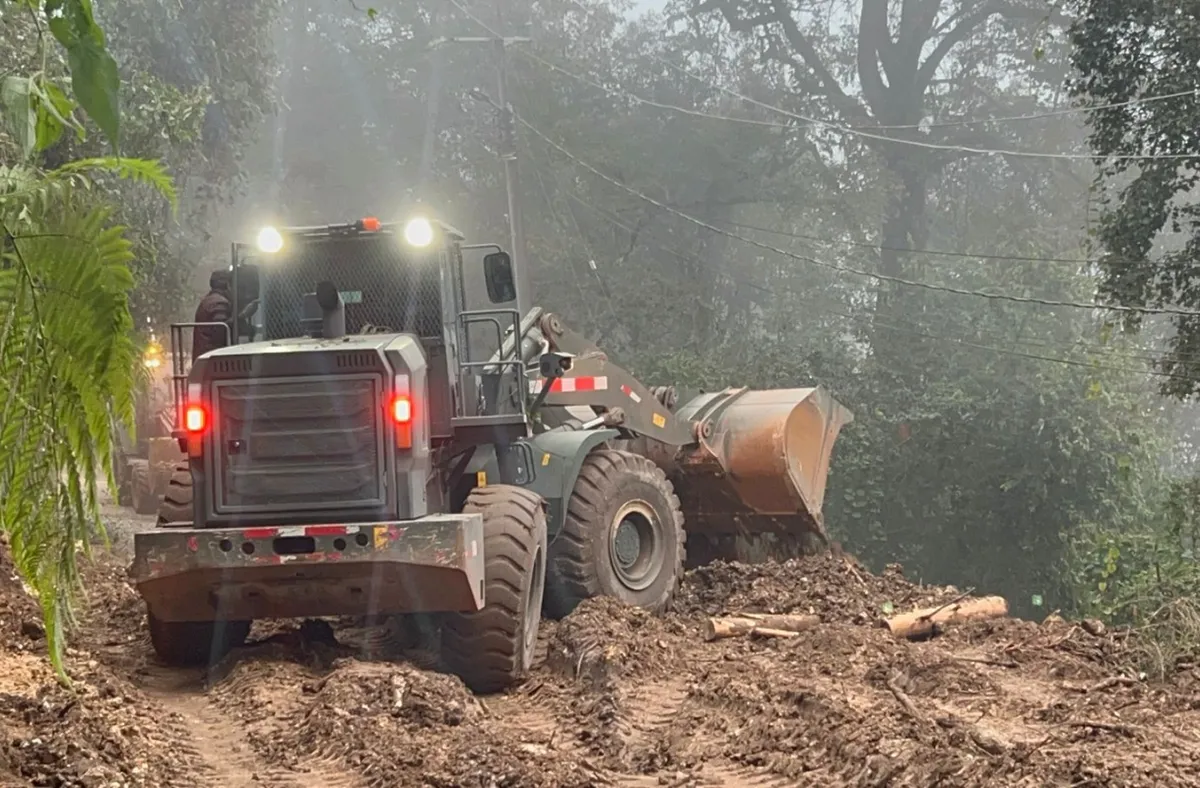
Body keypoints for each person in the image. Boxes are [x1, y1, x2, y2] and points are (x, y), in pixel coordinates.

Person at [192, 270, 259, 360]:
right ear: (228, 285)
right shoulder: (219, 302)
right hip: (212, 358)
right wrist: (243, 315)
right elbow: (222, 331)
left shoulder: (210, 299)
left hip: (206, 356)